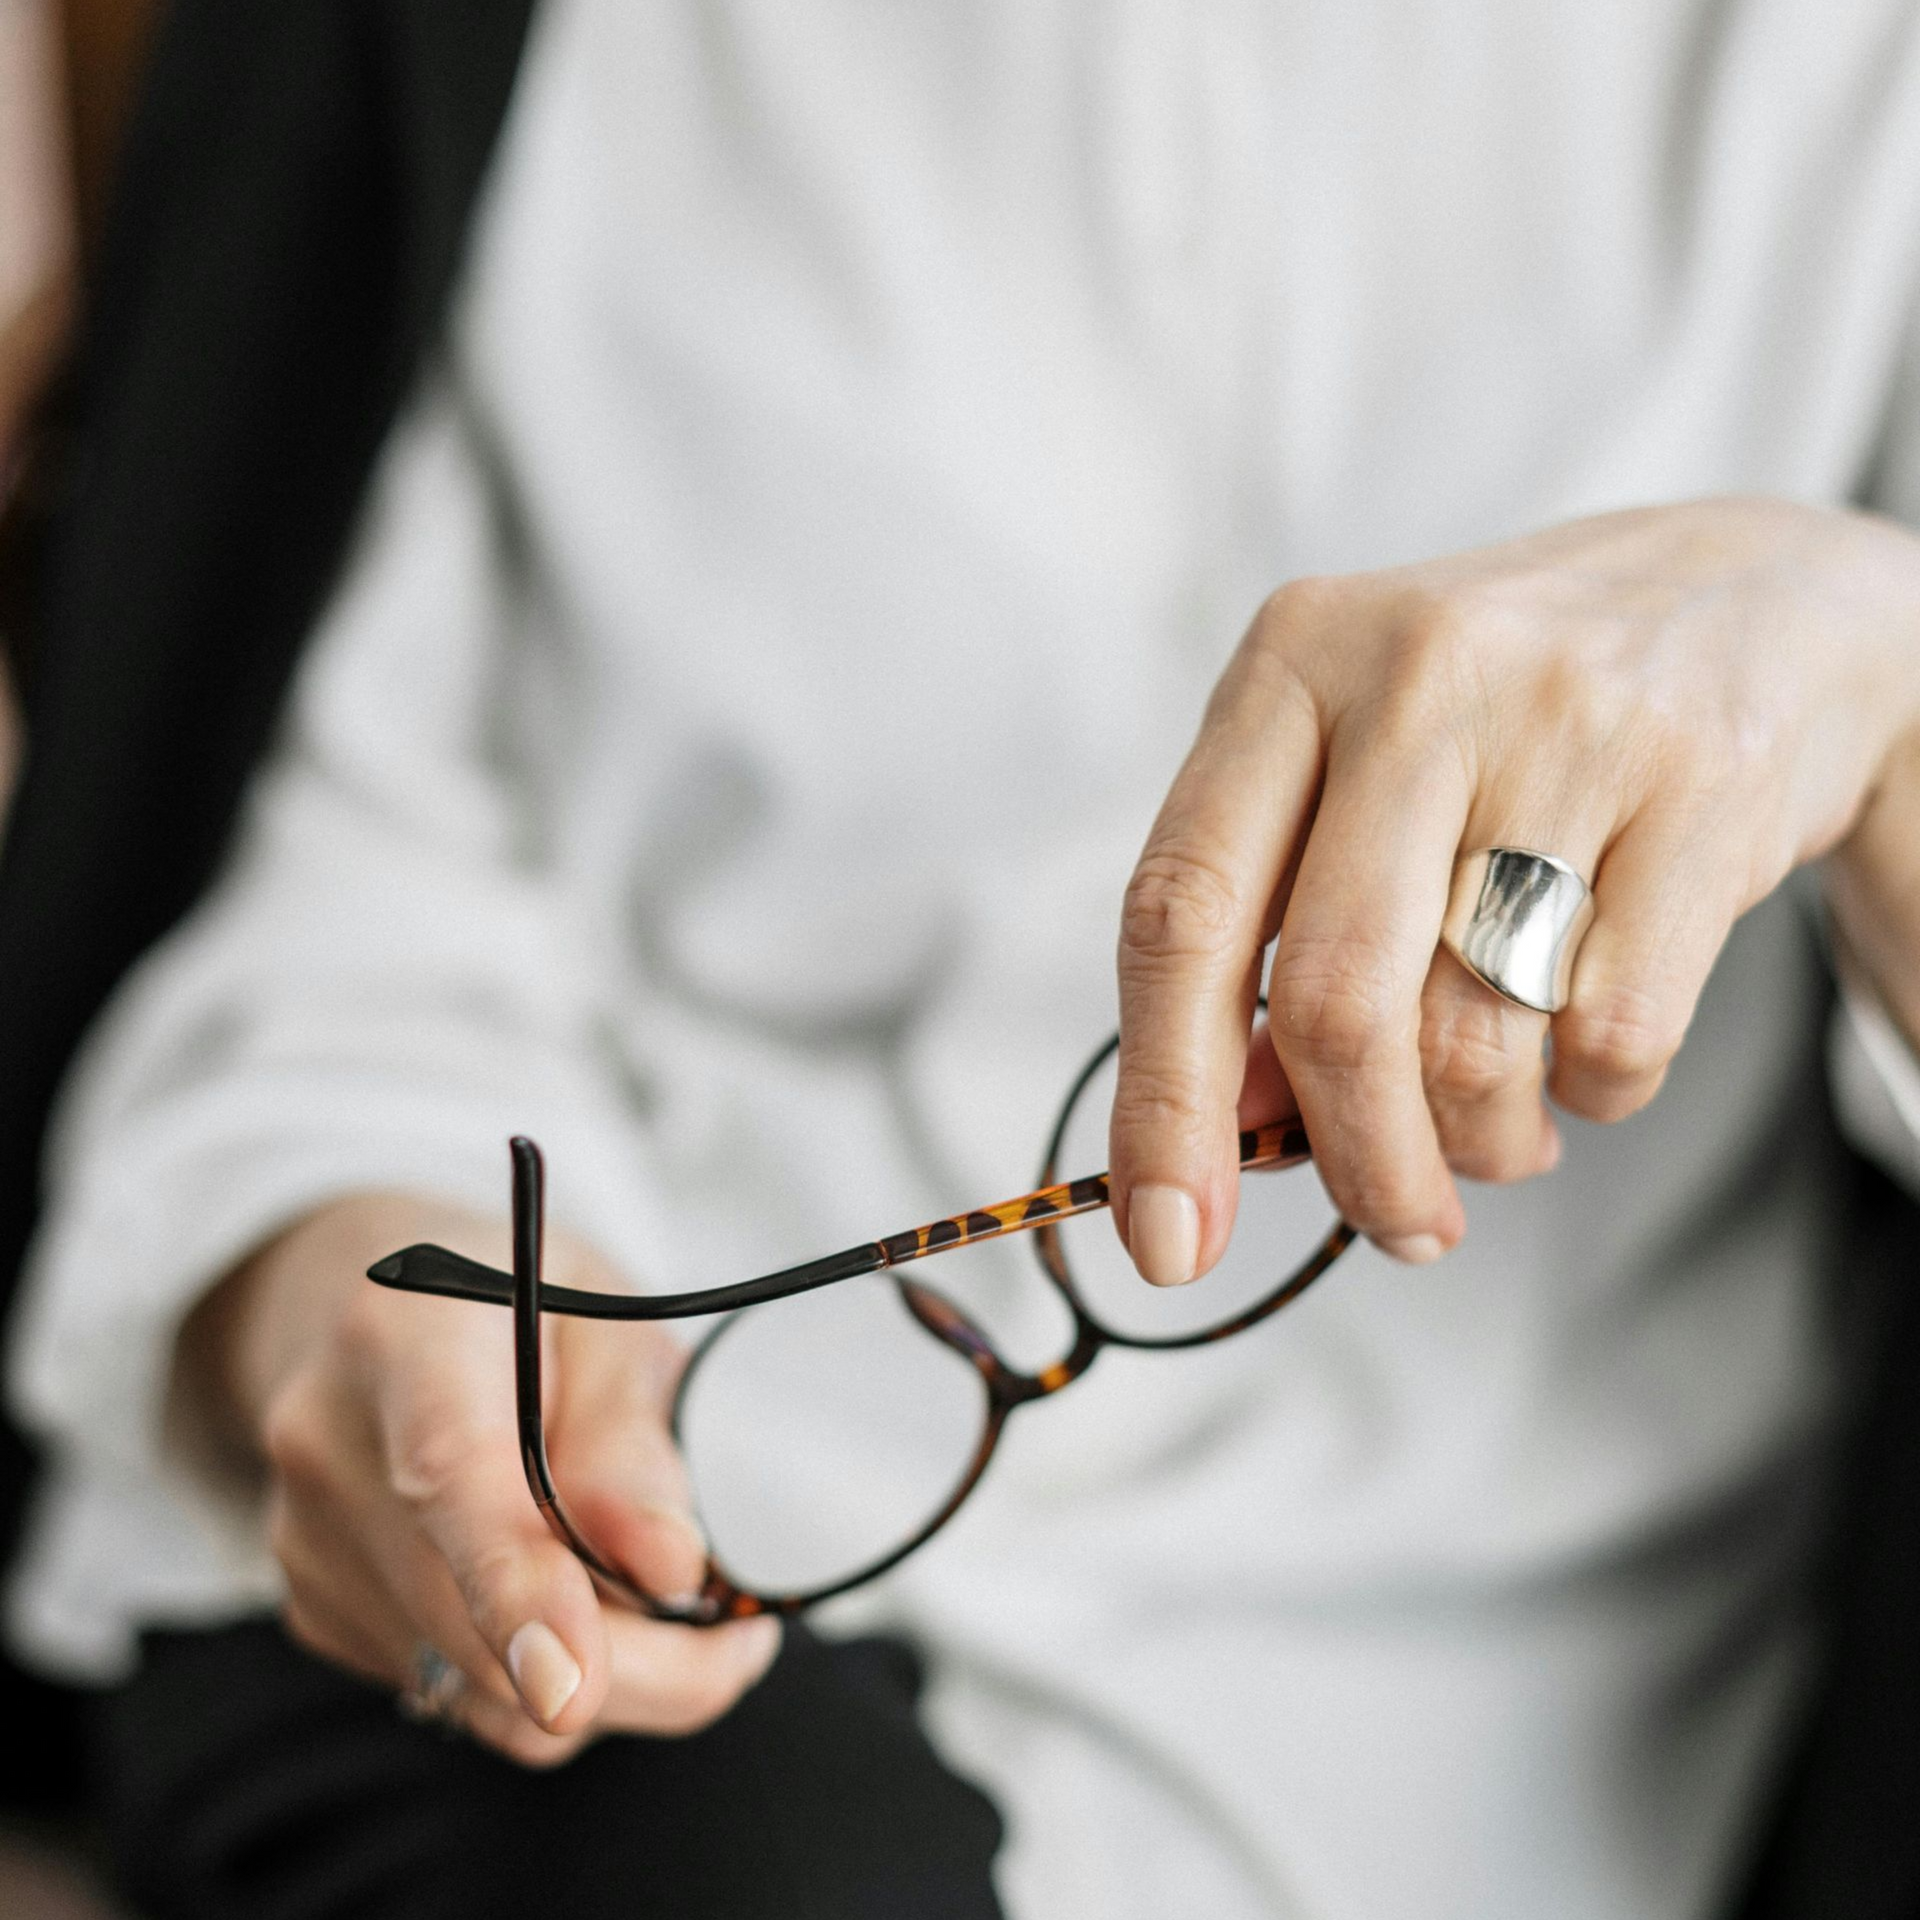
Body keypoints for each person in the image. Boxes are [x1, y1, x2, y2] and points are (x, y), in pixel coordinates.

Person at [6, 2, 1920, 1916]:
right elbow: (326, 893)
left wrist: (1883, 679)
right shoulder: (452, 53)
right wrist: (339, 1297)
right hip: (647, 1644)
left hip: (1647, 1686)